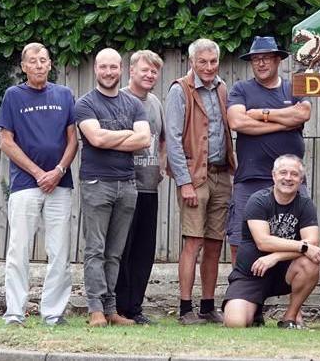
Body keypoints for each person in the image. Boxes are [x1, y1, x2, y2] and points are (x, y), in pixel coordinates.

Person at [0, 43, 78, 326]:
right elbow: (6, 142)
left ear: (50, 64)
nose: (39, 65)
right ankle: (15, 313)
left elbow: (73, 140)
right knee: (18, 250)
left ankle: (53, 313)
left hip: (60, 184)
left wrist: (57, 171)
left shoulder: (65, 95)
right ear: (24, 66)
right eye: (33, 61)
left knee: (60, 252)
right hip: (24, 185)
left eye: (44, 60)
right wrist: (37, 173)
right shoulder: (12, 96)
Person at [75, 48, 150, 327]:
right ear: (95, 69)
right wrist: (127, 135)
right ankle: (95, 309)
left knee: (115, 252)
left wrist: (111, 138)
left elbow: (144, 140)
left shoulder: (134, 104)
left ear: (121, 70)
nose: (108, 72)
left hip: (127, 184)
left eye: (113, 67)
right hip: (96, 183)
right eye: (103, 67)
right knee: (95, 249)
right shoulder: (85, 103)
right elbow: (95, 138)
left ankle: (111, 310)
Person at [165, 38, 236, 324]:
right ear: (191, 62)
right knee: (193, 242)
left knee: (215, 243)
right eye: (202, 62)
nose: (208, 67)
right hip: (194, 177)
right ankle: (185, 309)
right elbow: (172, 139)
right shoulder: (179, 90)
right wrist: (184, 182)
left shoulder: (222, 88)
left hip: (221, 174)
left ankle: (207, 306)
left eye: (213, 61)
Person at [226, 36, 310, 262]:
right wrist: (284, 122)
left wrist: (262, 115)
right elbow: (237, 123)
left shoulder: (293, 87)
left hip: (291, 178)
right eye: (256, 59)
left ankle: (290, 290)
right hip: (250, 178)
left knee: (302, 240)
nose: (261, 63)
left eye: (266, 58)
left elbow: (303, 114)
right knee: (239, 240)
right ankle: (240, 289)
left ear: (277, 60)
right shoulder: (240, 89)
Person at [222, 154, 320, 329]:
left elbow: (313, 243)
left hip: (285, 273)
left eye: (294, 174)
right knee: (235, 323)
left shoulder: (305, 204)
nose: (288, 178)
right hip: (252, 274)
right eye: (283, 172)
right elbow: (263, 242)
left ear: (301, 179)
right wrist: (302, 246)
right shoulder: (258, 200)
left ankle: (289, 318)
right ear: (273, 175)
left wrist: (276, 257)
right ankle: (254, 311)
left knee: (310, 263)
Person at [114, 50, 165, 325]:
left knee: (144, 251)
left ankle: (135, 308)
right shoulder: (119, 99)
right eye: (144, 70)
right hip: (123, 186)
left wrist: (162, 167)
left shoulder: (155, 102)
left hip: (149, 188)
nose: (149, 75)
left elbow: (164, 139)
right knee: (122, 249)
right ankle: (118, 308)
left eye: (154, 71)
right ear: (131, 70)